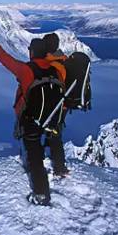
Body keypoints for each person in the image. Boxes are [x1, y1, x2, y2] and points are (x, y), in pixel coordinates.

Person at [0, 33, 67, 206]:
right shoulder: (55, 71)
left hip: (30, 119)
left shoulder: (26, 69)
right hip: (50, 119)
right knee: (41, 148)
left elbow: (6, 60)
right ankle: (59, 168)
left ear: (32, 53)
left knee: (34, 155)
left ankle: (41, 193)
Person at [42, 33, 70, 177]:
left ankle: (59, 167)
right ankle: (51, 157)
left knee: (54, 134)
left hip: (55, 104)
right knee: (54, 131)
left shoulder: (50, 63)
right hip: (63, 105)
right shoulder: (63, 60)